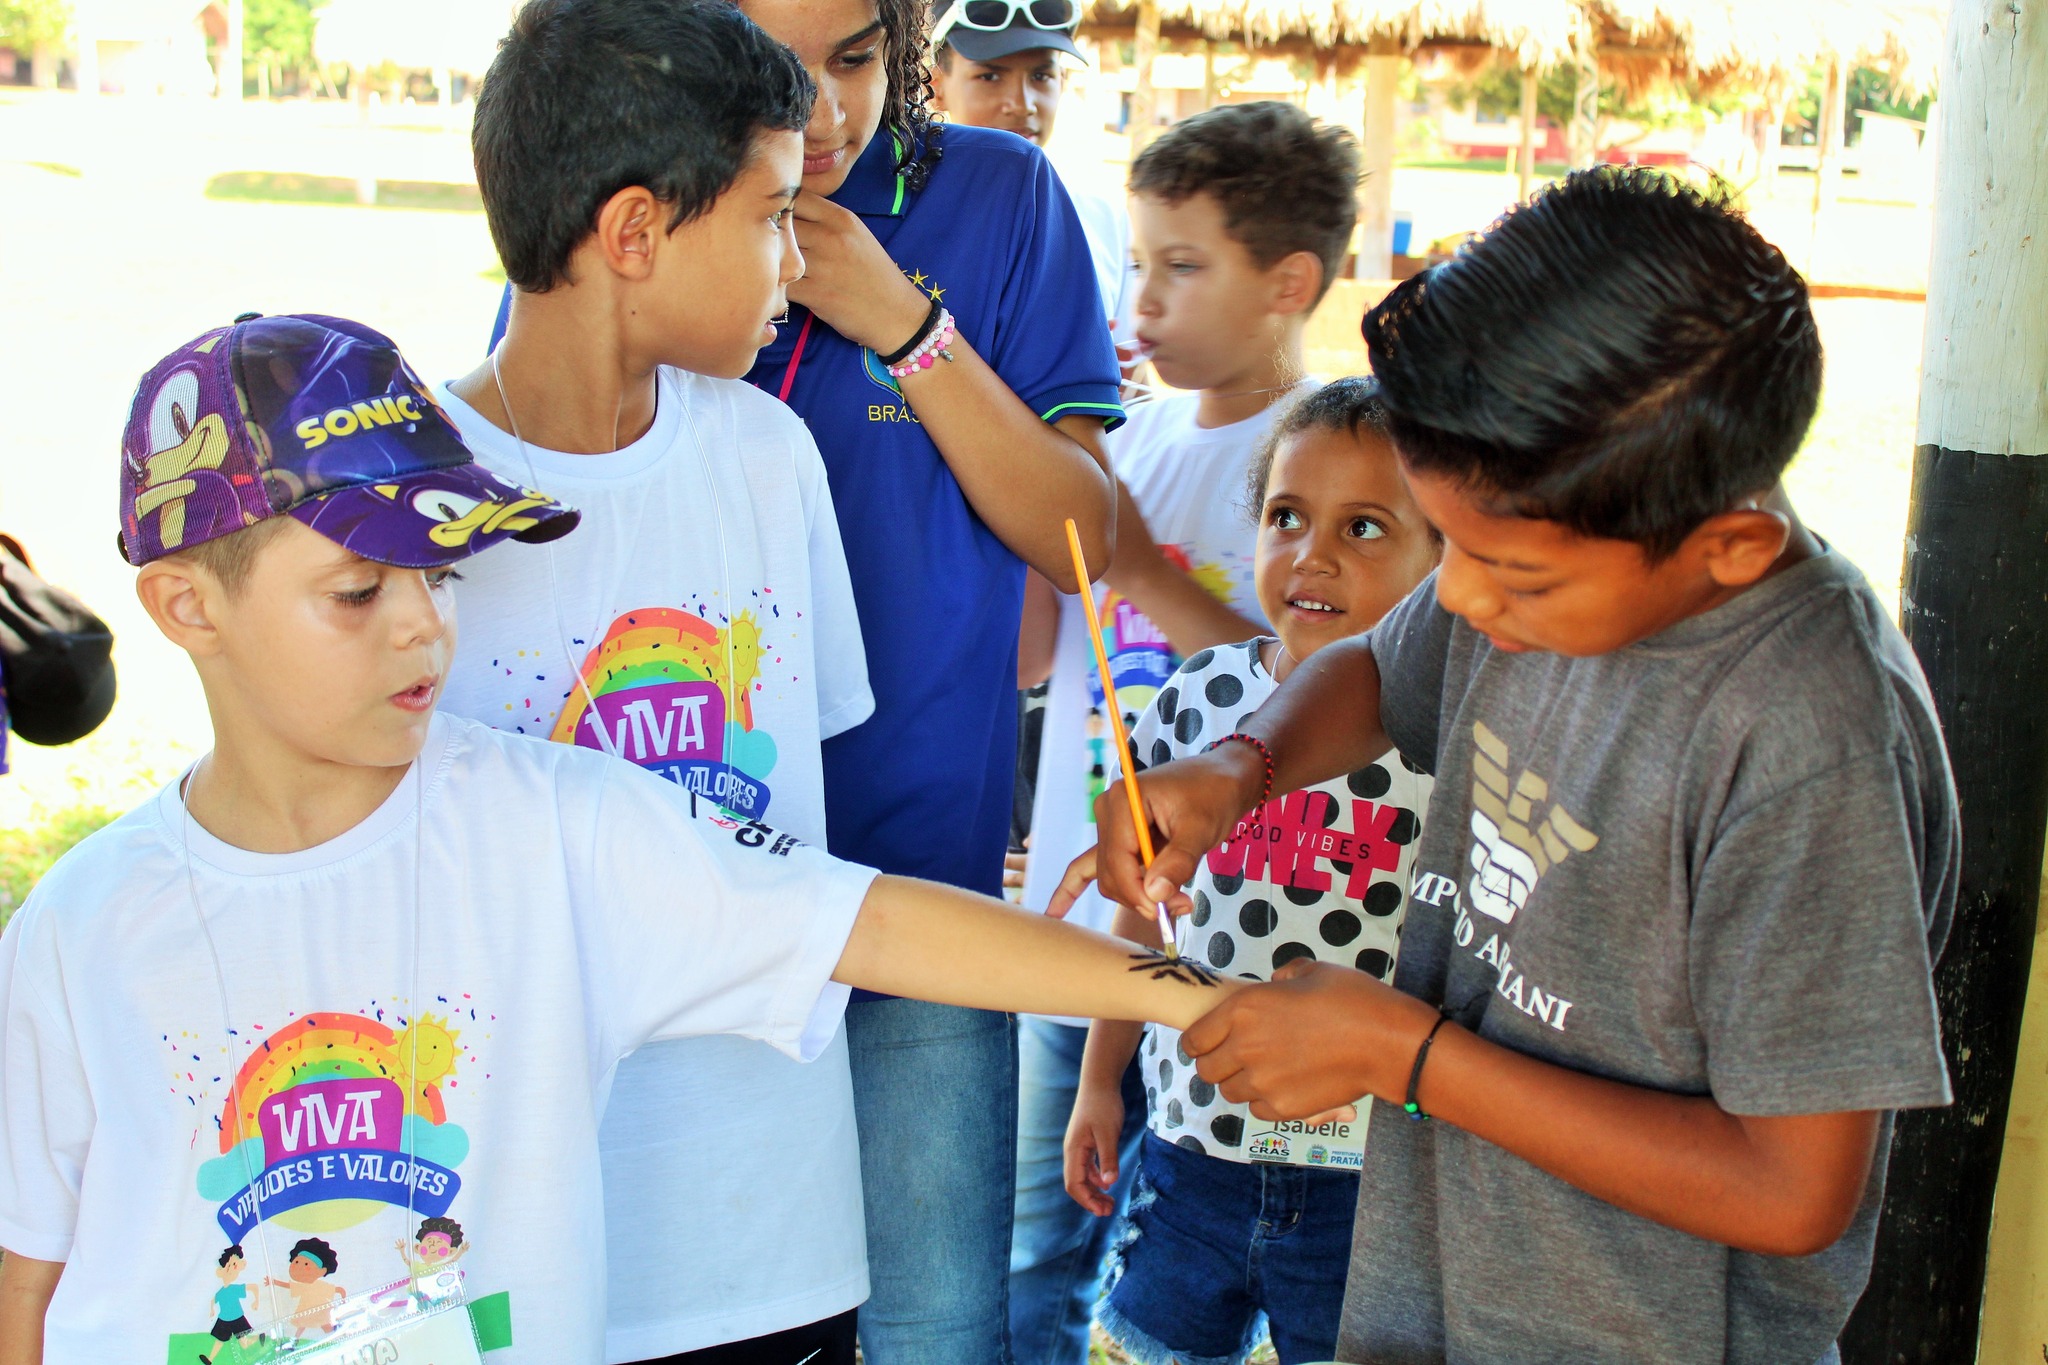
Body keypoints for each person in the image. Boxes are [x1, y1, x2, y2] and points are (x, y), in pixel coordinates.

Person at [0, 312, 1238, 1365]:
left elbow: (874, 924)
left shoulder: (550, 827)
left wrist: (1197, 1000)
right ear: (186, 606)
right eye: (359, 590)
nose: (424, 627)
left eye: (443, 574)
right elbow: (28, 1274)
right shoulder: (80, 927)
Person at [1083, 168, 1958, 1364]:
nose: (1457, 597)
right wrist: (1242, 762)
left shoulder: (1808, 746)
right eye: (1448, 545)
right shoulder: (1542, 549)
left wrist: (1403, 1055)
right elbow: (1378, 670)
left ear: (1730, 545)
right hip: (1430, 1301)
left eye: (1508, 572)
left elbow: (1787, 1188)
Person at [441, 6, 873, 1362]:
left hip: (772, 1225)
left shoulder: (769, 455)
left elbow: (793, 804)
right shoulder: (411, 508)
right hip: (519, 1245)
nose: (795, 260)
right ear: (634, 232)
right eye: (771, 216)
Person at [1007, 102, 1360, 1365]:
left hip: (1232, 950)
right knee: (1028, 1252)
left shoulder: (1321, 464)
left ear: (1287, 284)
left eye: (1182, 265)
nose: (1143, 299)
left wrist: (1130, 561)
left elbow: (1304, 681)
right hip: (1072, 918)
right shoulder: (1127, 440)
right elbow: (1037, 654)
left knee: (1201, 1280)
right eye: (1136, 262)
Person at [1058, 378, 1439, 1365]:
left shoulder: (1446, 727)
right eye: (1285, 517)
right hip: (1191, 1148)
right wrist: (1100, 1082)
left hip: (1375, 1176)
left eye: (1363, 527)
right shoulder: (1196, 697)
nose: (1312, 555)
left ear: (1445, 557)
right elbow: (1144, 912)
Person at [926, 0, 1135, 336]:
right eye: (990, 76)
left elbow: (1126, 359)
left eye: (1041, 76)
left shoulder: (1103, 220)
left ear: (1062, 81)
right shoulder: (900, 217)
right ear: (935, 87)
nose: (1023, 104)